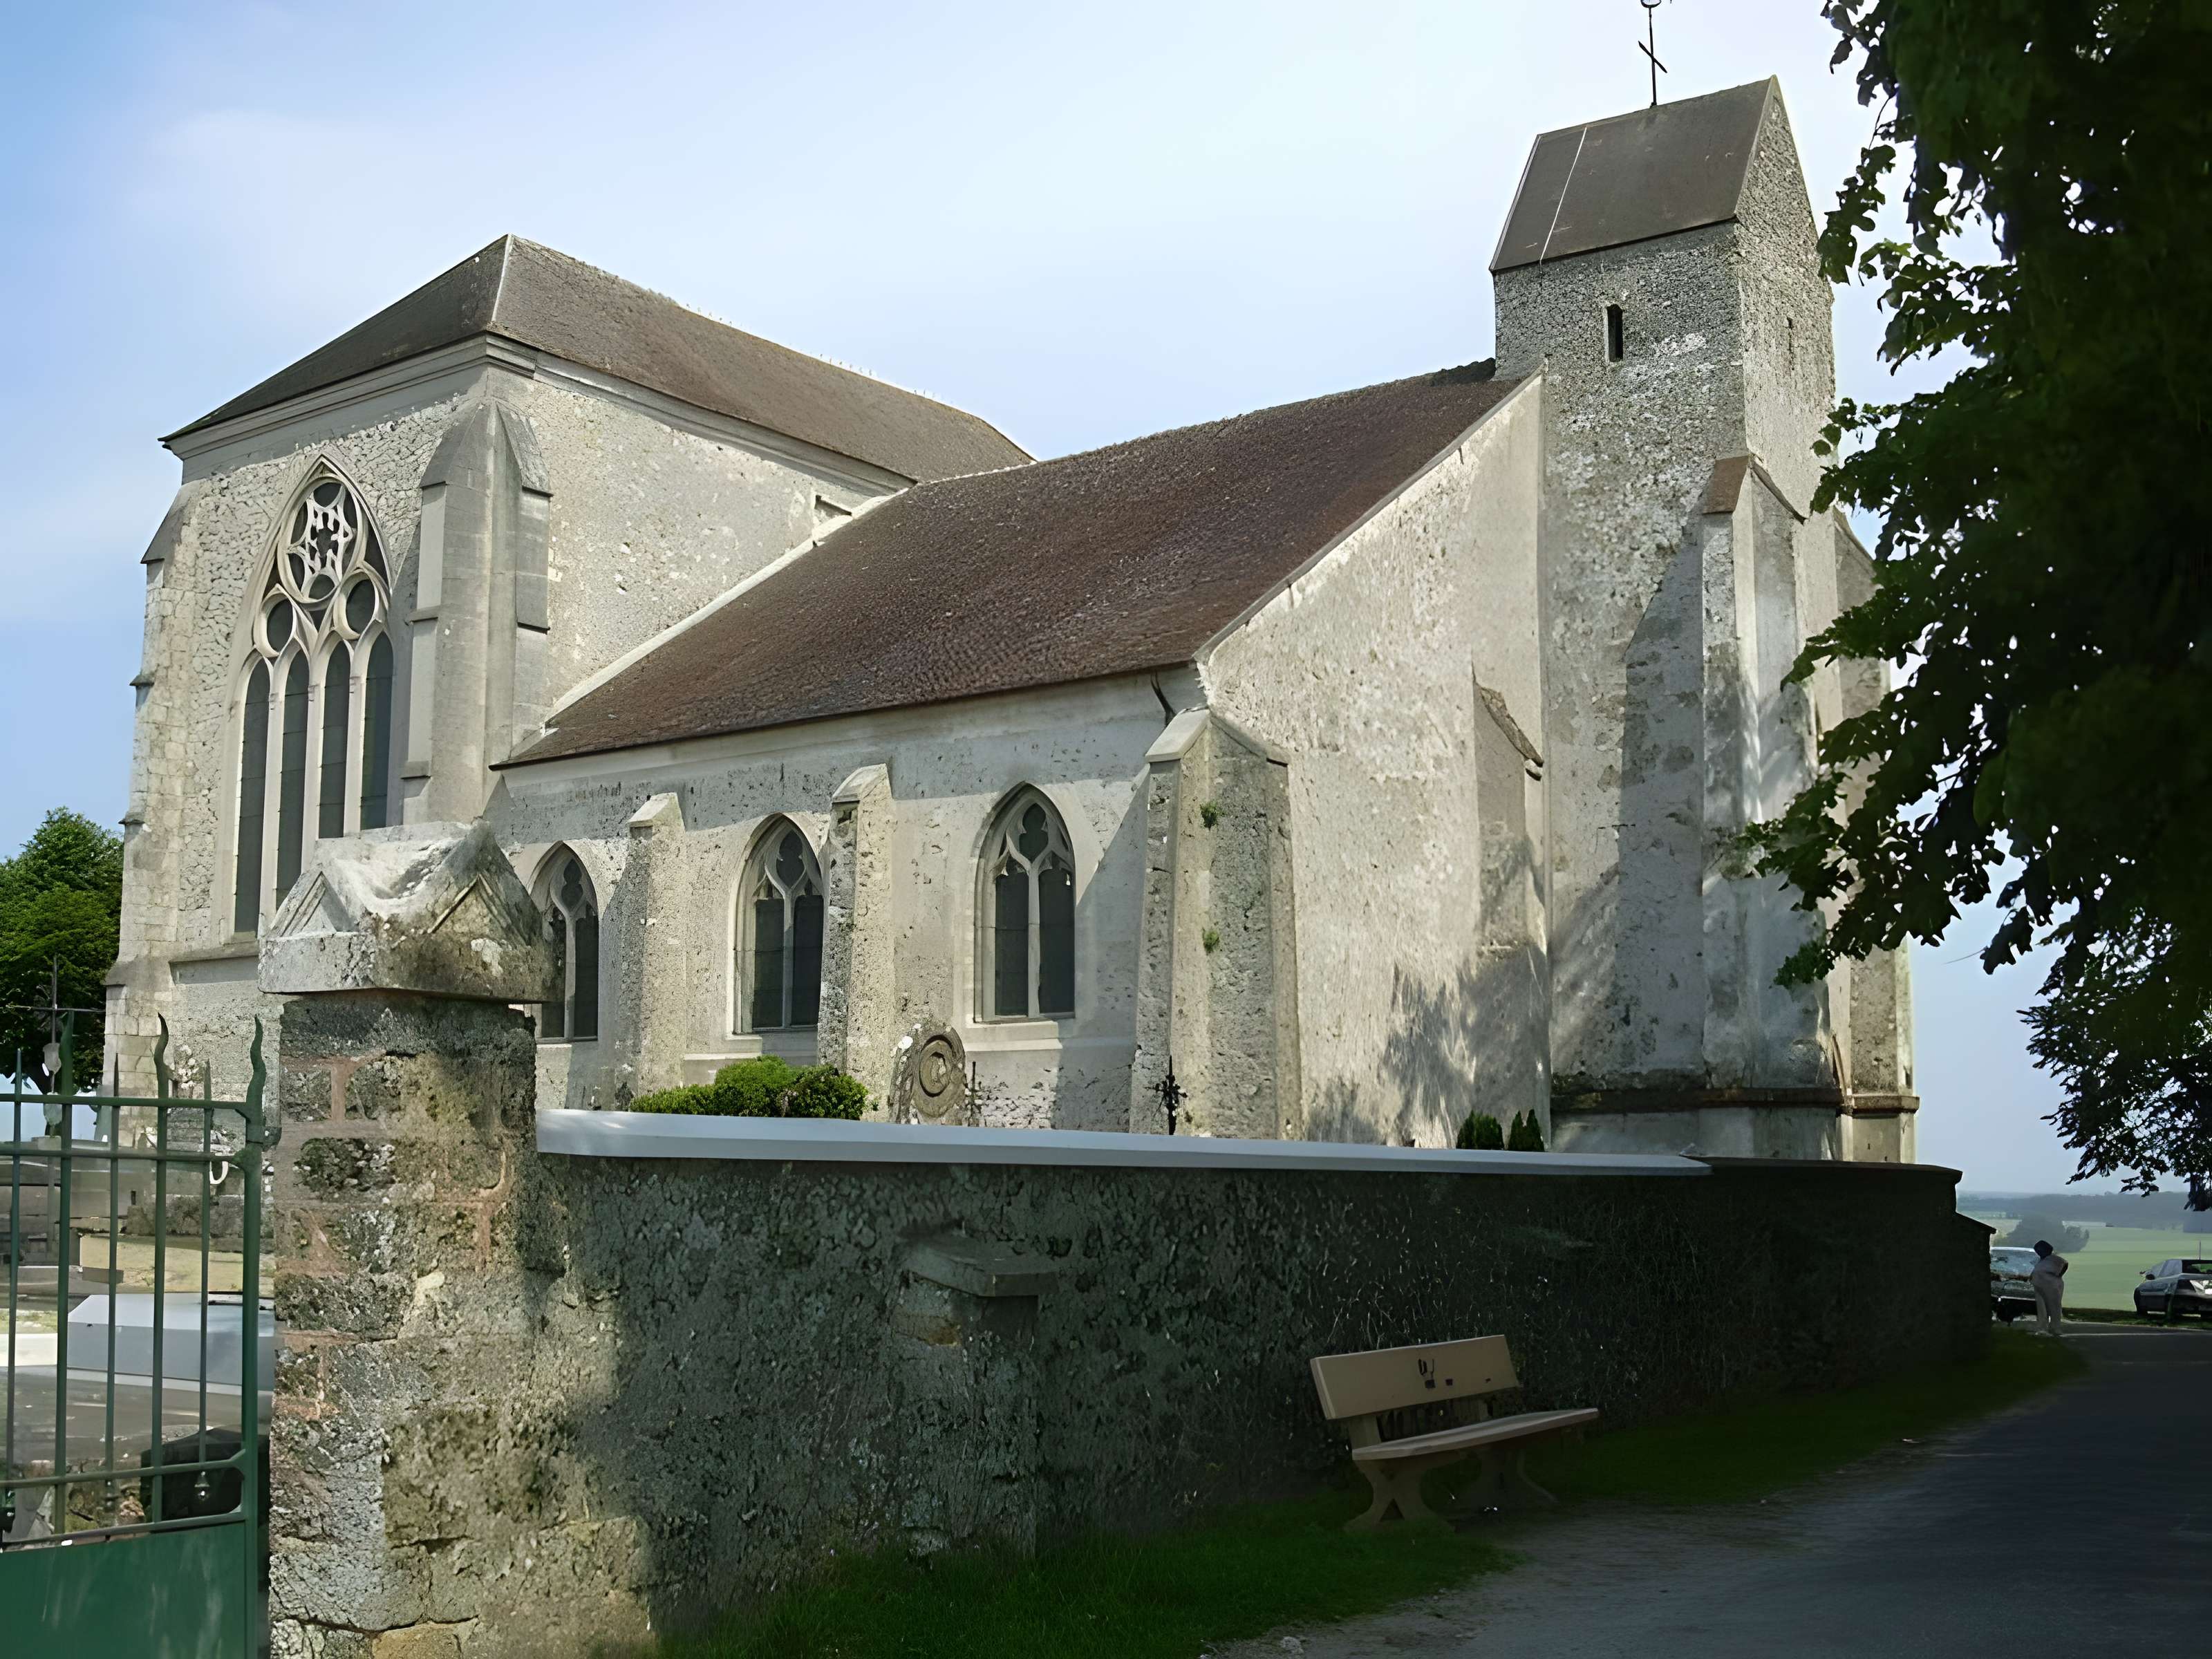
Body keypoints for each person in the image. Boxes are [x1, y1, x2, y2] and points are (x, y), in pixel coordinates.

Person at [2030, 1239, 2068, 1335]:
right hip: (2039, 1285)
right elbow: (2037, 1271)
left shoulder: (2054, 1259)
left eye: (2040, 1250)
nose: (2039, 1253)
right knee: (2041, 1307)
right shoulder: (2041, 1260)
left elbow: (2065, 1264)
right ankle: (2042, 1328)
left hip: (2052, 1285)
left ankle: (2055, 1328)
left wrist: (2060, 1274)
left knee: (2054, 1306)